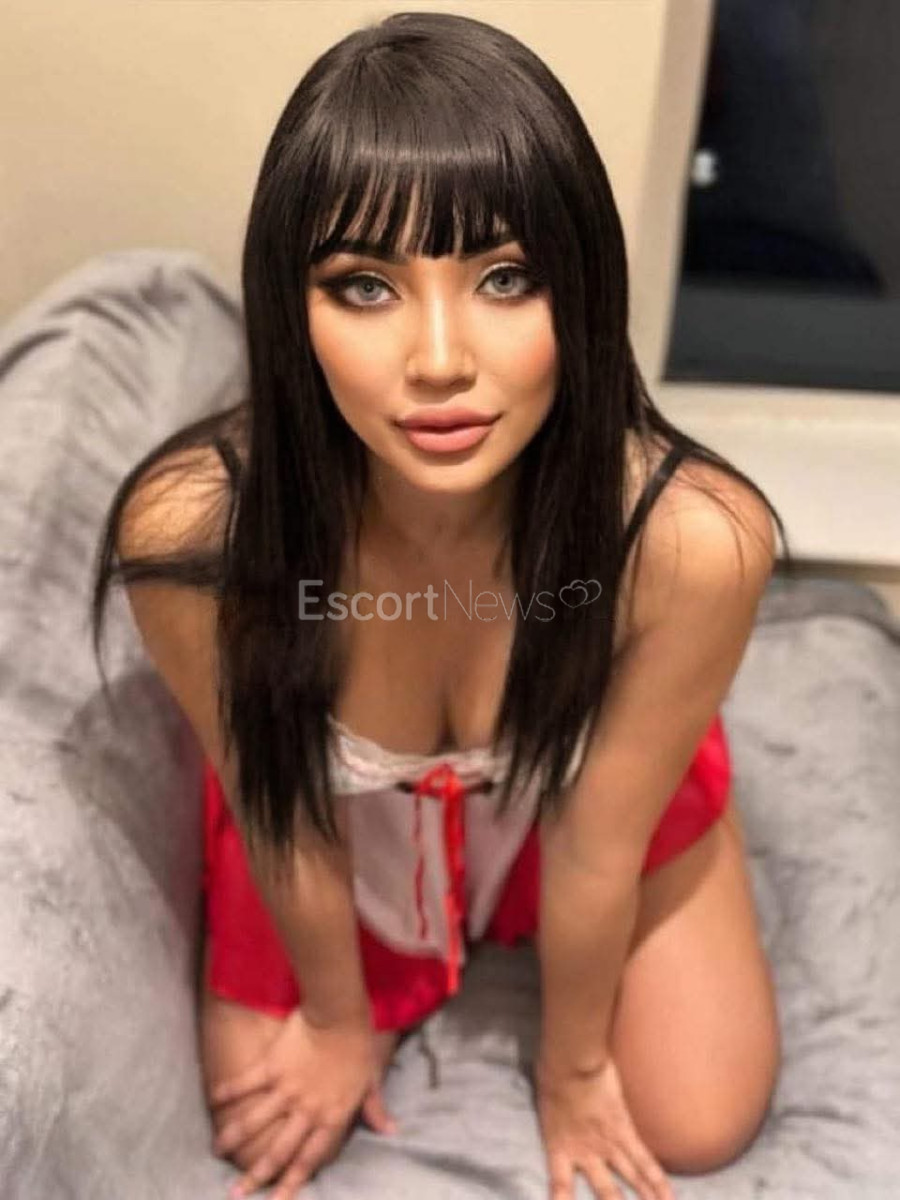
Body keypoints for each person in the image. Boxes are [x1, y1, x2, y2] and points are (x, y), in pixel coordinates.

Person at [90, 11, 796, 1200]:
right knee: (261, 1107)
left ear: (582, 286)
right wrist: (338, 1016)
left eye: (505, 278)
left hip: (587, 802)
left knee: (699, 1117)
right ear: (292, 308)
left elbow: (596, 843)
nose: (437, 359)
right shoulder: (197, 540)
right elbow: (278, 805)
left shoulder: (693, 545)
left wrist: (573, 1073)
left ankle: (673, 759)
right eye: (364, 286)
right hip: (327, 817)